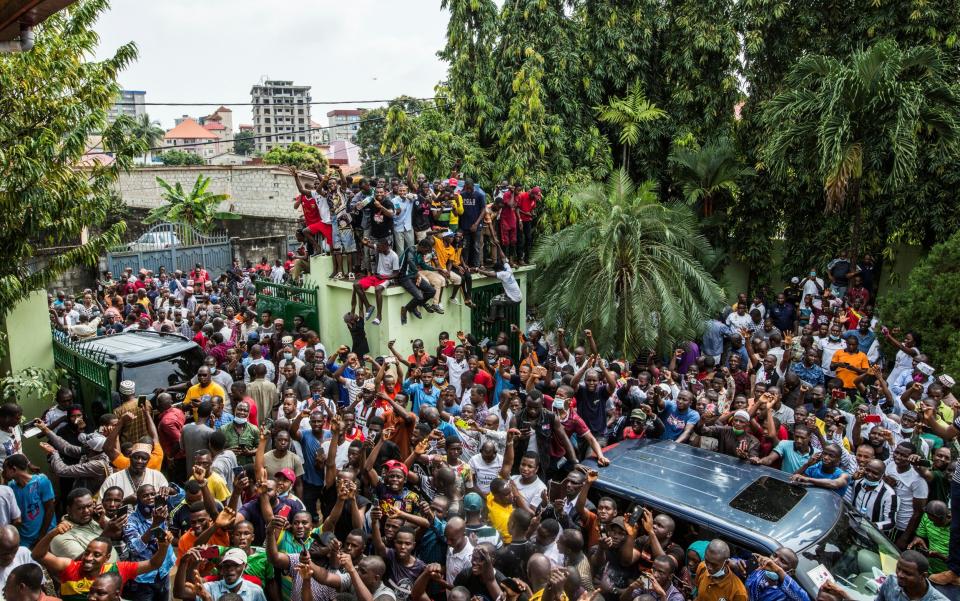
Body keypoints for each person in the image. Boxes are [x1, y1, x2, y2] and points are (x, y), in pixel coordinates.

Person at [32, 520, 172, 601]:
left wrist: (164, 547)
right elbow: (38, 555)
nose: (88, 558)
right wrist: (53, 532)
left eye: (96, 554)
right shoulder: (69, 566)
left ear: (107, 558)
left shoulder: (117, 570)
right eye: (87, 552)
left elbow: (153, 564)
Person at [2, 454, 56, 547]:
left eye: (5, 469)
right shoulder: (11, 487)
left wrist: (42, 536)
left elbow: (50, 510)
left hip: (45, 534)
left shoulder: (41, 482)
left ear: (14, 469)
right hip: (25, 538)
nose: (3, 472)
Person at [875, 550, 949, 601]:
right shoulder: (891, 581)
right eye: (898, 568)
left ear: (923, 576)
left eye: (907, 573)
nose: (899, 575)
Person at [475, 258, 522, 323]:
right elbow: (503, 258)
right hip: (518, 297)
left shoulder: (502, 274)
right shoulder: (508, 269)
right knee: (500, 298)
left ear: (498, 270)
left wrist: (478, 270)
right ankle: (501, 317)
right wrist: (499, 247)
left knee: (493, 301)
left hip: (513, 300)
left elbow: (489, 274)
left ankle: (491, 319)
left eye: (496, 271)